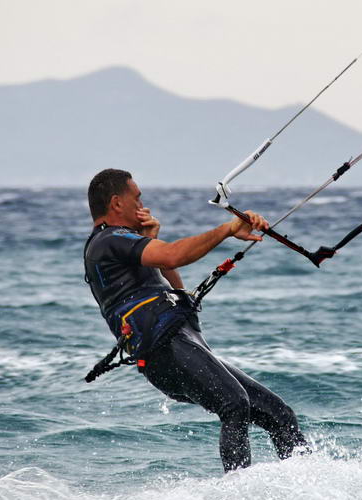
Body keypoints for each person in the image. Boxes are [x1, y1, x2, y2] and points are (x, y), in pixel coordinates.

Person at [83, 168, 309, 472]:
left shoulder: (123, 242)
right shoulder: (109, 240)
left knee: (278, 413)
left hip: (178, 341)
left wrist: (152, 242)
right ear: (116, 203)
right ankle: (238, 494)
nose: (142, 205)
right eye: (136, 198)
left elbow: (172, 281)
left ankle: (308, 480)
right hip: (163, 348)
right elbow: (174, 254)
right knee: (234, 404)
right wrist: (227, 230)